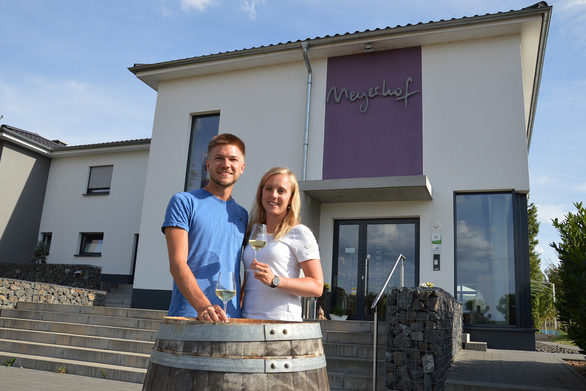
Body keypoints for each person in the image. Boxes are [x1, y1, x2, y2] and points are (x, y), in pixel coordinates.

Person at [162, 133, 247, 322]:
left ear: (242, 168)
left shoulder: (243, 215)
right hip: (191, 317)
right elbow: (177, 264)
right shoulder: (184, 202)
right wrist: (204, 306)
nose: (226, 164)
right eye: (219, 158)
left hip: (231, 320)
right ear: (208, 164)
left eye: (233, 159)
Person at [242, 167, 324, 321]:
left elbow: (317, 287)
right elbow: (248, 280)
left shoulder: (299, 233)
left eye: (281, 191)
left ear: (290, 198)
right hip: (247, 321)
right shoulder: (254, 231)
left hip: (281, 325)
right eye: (268, 189)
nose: (273, 195)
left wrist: (275, 280)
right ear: (261, 193)